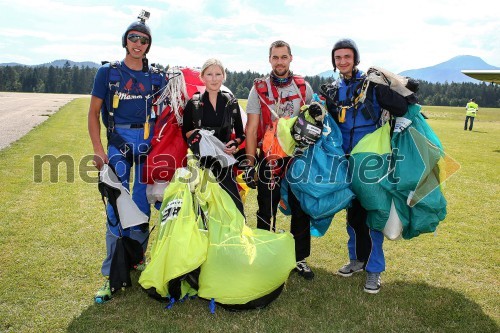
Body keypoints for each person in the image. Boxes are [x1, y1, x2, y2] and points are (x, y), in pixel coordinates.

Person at [88, 11, 167, 303]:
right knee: (115, 203)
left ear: (148, 45)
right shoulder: (107, 73)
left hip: (147, 144)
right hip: (118, 143)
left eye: (144, 40)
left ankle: (136, 258)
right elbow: (93, 113)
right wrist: (98, 149)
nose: (138, 43)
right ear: (125, 40)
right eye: (133, 37)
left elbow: (170, 113)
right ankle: (111, 273)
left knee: (141, 202)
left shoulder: (157, 76)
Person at [321, 38, 408, 293]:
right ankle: (357, 259)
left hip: (370, 162)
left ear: (355, 59)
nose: (342, 61)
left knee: (372, 213)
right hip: (344, 160)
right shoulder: (334, 90)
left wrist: (384, 89)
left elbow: (401, 106)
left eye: (347, 57)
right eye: (338, 58)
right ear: (334, 62)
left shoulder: (370, 85)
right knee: (352, 213)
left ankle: (374, 270)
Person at [244, 40, 315, 280]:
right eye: (275, 57)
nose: (280, 62)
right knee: (266, 207)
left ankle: (299, 258)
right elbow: (251, 128)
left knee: (301, 208)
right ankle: (265, 254)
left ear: (291, 58)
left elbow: (314, 124)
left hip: (298, 159)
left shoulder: (304, 88)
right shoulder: (259, 88)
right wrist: (250, 163)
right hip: (269, 157)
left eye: (284, 57)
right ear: (269, 59)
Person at [182, 58, 245, 214]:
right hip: (200, 163)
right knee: (201, 208)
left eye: (218, 74)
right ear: (202, 77)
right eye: (209, 74)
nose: (214, 78)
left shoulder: (231, 103)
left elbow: (241, 134)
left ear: (224, 76)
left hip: (224, 161)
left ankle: (235, 235)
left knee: (235, 206)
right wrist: (199, 136)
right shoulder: (193, 103)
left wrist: (235, 144)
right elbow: (186, 133)